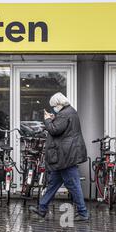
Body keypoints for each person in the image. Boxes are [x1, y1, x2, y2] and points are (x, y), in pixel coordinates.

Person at [29, 92, 89, 222]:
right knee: (53, 183)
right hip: (65, 155)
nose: (53, 108)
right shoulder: (68, 112)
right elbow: (61, 128)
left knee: (73, 185)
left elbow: (54, 130)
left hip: (65, 156)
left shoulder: (65, 113)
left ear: (58, 104)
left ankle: (83, 213)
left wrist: (48, 119)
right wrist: (53, 118)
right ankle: (42, 208)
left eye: (53, 106)